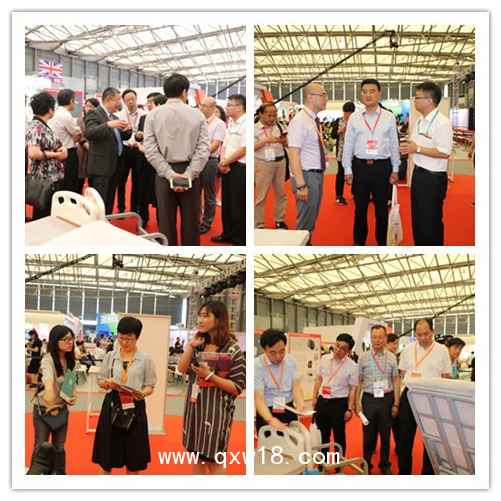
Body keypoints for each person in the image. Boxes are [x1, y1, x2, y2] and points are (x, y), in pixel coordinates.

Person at [178, 301, 246, 474]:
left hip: (216, 413)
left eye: (205, 316)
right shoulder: (200, 343)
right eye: (200, 315)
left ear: (218, 319)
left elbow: (237, 387)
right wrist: (191, 345)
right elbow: (182, 368)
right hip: (194, 409)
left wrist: (210, 376)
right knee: (197, 456)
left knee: (213, 460)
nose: (200, 320)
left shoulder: (233, 349)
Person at [144, 73, 210, 246]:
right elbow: (204, 149)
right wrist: (189, 175)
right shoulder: (198, 115)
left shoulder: (152, 115)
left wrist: (168, 173)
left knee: (166, 223)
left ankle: (168, 254)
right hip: (191, 171)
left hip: (163, 173)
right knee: (191, 223)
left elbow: (150, 150)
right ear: (184, 92)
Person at [92, 316, 157, 474]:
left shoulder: (145, 359)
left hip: (135, 406)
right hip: (112, 405)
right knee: (106, 455)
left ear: (137, 337)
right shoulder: (110, 356)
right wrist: (108, 383)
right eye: (121, 338)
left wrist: (142, 393)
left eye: (129, 339)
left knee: (134, 456)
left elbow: (150, 385)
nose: (124, 342)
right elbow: (100, 381)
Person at [343, 79, 400, 246]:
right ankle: (359, 243)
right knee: (360, 209)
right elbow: (348, 144)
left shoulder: (388, 117)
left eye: (372, 91)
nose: (368, 95)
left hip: (382, 167)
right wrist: (347, 169)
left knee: (381, 210)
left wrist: (395, 169)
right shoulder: (354, 117)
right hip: (360, 167)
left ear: (379, 94)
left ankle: (382, 243)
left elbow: (393, 144)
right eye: (365, 92)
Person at [398, 81, 453, 246]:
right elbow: (414, 144)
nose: (414, 101)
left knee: (430, 223)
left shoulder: (442, 123)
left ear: (429, 100)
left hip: (433, 178)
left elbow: (444, 152)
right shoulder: (420, 120)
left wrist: (417, 149)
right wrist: (406, 147)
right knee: (418, 221)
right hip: (419, 174)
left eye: (418, 97)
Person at [398, 318, 452, 475]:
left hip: (431, 399)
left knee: (431, 440)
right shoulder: (408, 348)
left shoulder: (442, 350)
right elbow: (403, 371)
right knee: (404, 438)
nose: (422, 338)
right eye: (419, 334)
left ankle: (428, 474)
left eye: (426, 334)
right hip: (409, 396)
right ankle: (404, 472)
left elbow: (445, 375)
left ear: (433, 332)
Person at [31, 325, 77, 475]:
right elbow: (48, 378)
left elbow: (71, 384)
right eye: (66, 339)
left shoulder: (70, 360)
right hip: (43, 410)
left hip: (61, 410)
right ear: (55, 340)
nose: (70, 342)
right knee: (40, 446)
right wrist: (49, 391)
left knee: (59, 448)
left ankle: (60, 477)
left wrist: (73, 396)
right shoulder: (47, 359)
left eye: (71, 339)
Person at [355, 325, 400, 475]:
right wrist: (356, 403)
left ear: (385, 338)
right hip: (369, 399)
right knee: (368, 434)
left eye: (380, 337)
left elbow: (396, 380)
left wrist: (396, 403)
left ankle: (384, 464)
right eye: (374, 337)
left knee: (385, 434)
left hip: (387, 399)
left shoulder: (392, 357)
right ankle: (366, 464)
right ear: (370, 338)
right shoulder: (363, 357)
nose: (377, 340)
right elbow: (359, 381)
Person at [288, 83, 329, 245]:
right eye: (323, 94)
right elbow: (293, 154)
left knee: (310, 219)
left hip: (315, 174)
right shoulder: (300, 121)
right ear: (310, 97)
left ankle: (306, 244)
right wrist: (301, 185)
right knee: (304, 223)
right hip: (306, 175)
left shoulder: (311, 119)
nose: (326, 98)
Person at [85, 87, 132, 214]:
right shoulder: (95, 113)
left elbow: (120, 137)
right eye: (117, 100)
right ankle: (97, 223)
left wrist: (127, 130)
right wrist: (108, 125)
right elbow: (89, 132)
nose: (119, 103)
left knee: (110, 199)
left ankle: (106, 220)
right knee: (99, 201)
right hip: (101, 165)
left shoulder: (114, 117)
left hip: (115, 164)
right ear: (108, 100)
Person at [312, 333, 358, 461]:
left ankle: (339, 464)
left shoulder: (352, 366)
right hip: (322, 402)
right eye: (337, 346)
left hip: (339, 404)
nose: (338, 350)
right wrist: (314, 397)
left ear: (349, 351)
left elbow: (353, 389)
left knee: (339, 436)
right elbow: (318, 378)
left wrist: (349, 409)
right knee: (322, 435)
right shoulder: (324, 359)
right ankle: (323, 463)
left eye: (343, 348)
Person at [26, 91, 68, 220]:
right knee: (43, 214)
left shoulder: (41, 125)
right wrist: (56, 154)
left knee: (47, 212)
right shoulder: (37, 127)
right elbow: (34, 153)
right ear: (50, 109)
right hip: (44, 178)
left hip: (50, 177)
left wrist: (60, 150)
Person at [211, 94, 247, 246]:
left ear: (239, 107)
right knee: (227, 203)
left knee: (238, 206)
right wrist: (223, 162)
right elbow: (224, 145)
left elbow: (244, 149)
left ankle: (239, 240)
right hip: (227, 166)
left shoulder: (246, 124)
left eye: (229, 105)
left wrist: (225, 162)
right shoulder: (231, 124)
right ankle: (227, 233)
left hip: (240, 168)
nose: (226, 108)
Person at [254, 329, 305, 432]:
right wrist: (270, 419)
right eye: (273, 353)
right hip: (267, 410)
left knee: (292, 440)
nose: (278, 356)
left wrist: (300, 402)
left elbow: (295, 386)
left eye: (282, 351)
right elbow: (259, 398)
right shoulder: (257, 365)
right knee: (269, 441)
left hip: (288, 408)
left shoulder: (291, 361)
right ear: (264, 350)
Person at [254, 102, 289, 230]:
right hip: (263, 163)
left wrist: (284, 142)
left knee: (281, 194)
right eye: (269, 115)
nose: (273, 118)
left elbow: (287, 144)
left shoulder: (280, 125)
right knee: (261, 196)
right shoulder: (254, 128)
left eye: (275, 115)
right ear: (260, 114)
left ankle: (280, 219)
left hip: (280, 162)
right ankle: (259, 224)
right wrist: (266, 140)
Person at [198, 96, 227, 234]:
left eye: (204, 105)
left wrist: (199, 155)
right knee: (195, 192)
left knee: (209, 195)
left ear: (213, 108)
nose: (201, 108)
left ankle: (207, 222)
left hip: (209, 160)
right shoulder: (198, 120)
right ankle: (196, 218)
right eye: (200, 105)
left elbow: (216, 144)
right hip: (195, 160)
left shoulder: (219, 124)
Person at [135, 92, 164, 227]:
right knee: (142, 190)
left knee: (160, 193)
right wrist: (139, 136)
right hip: (144, 160)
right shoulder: (144, 118)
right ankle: (143, 217)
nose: (150, 104)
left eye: (153, 102)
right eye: (148, 102)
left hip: (160, 160)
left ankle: (161, 220)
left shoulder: (166, 119)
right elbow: (138, 138)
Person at [116, 89, 147, 214]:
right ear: (123, 101)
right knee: (121, 180)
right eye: (128, 100)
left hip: (138, 150)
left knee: (137, 181)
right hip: (125, 150)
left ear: (136, 99)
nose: (131, 102)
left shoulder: (144, 115)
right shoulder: (120, 115)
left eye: (133, 99)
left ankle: (135, 207)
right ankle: (121, 207)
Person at [48, 89, 83, 193]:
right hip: (68, 154)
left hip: (55, 153)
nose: (75, 103)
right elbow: (78, 134)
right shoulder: (66, 115)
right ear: (71, 100)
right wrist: (75, 136)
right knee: (70, 184)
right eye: (75, 101)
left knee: (59, 184)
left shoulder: (54, 113)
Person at [331, 101, 355, 205]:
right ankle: (339, 195)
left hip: (355, 152)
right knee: (341, 173)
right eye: (346, 112)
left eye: (350, 113)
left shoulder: (356, 121)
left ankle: (355, 192)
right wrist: (339, 131)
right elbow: (332, 135)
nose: (348, 115)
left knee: (356, 173)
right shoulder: (338, 121)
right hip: (341, 152)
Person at [76, 98, 100, 192]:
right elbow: (80, 136)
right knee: (79, 183)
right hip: (82, 154)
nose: (88, 108)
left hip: (95, 155)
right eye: (87, 106)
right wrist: (89, 147)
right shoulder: (80, 120)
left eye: (91, 106)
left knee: (93, 185)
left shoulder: (99, 121)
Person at [386, 333, 400, 453]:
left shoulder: (396, 357)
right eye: (393, 343)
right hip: (382, 393)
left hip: (394, 393)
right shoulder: (384, 357)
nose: (396, 346)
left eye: (397, 344)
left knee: (396, 422)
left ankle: (398, 445)